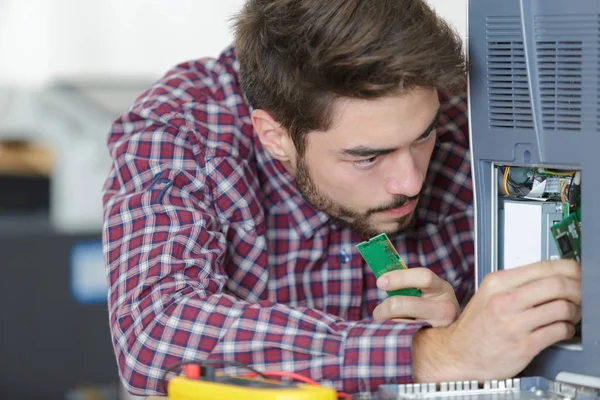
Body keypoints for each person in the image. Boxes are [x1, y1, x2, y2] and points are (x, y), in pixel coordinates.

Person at [102, 0, 582, 396]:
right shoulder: (183, 132)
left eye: (423, 136)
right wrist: (433, 354)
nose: (410, 181)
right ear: (275, 137)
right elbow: (155, 334)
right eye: (368, 158)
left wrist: (465, 329)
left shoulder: (468, 109)